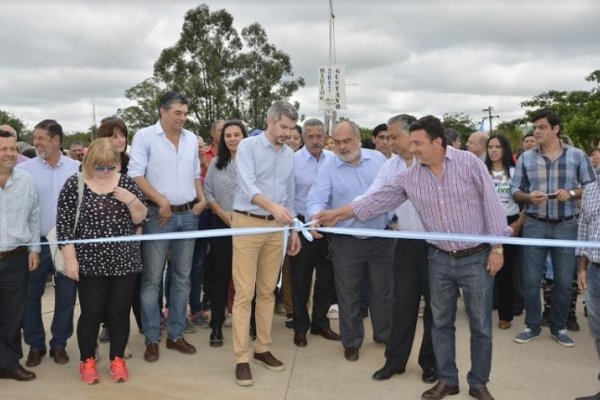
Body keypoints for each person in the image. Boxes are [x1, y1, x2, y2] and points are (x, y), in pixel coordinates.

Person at [315, 115, 507, 400]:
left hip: (475, 258)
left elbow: (491, 204)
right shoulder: (411, 176)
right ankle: (447, 379)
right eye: (412, 143)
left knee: (480, 325)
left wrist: (497, 248)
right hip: (439, 258)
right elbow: (375, 201)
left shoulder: (469, 164)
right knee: (440, 322)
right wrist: (336, 214)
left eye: (418, 143)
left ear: (437, 142)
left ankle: (478, 383)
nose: (412, 149)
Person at [57, 138, 146, 383]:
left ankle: (117, 359)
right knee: (92, 312)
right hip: (89, 262)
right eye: (100, 167)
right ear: (89, 163)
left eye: (111, 166)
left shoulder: (126, 182)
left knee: (119, 312)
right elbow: (64, 227)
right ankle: (88, 361)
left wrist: (130, 199)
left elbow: (141, 218)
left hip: (124, 261)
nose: (106, 172)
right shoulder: (75, 184)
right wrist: (71, 261)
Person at [128, 91, 207, 363]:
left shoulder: (189, 139)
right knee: (152, 281)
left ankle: (175, 335)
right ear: (162, 111)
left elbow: (196, 173)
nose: (183, 118)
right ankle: (152, 338)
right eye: (177, 113)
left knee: (183, 278)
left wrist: (202, 198)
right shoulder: (145, 137)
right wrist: (160, 201)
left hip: (188, 217)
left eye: (185, 113)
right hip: (158, 217)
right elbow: (135, 173)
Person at [307, 120, 393, 362]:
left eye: (347, 141)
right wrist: (315, 217)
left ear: (358, 139)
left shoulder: (378, 160)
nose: (342, 147)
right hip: (346, 240)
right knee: (348, 293)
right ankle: (352, 341)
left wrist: (393, 216)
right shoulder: (328, 167)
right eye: (337, 142)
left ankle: (384, 334)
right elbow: (316, 197)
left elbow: (392, 191)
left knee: (383, 290)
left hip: (382, 237)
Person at [511, 109, 595, 347]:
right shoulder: (526, 158)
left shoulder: (578, 156)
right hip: (535, 225)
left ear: (555, 129)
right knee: (530, 280)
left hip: (567, 226)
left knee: (564, 281)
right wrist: (528, 197)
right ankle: (533, 326)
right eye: (535, 127)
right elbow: (515, 190)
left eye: (541, 127)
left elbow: (591, 188)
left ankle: (558, 327)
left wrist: (570, 193)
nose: (536, 131)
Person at [231, 100, 300, 387]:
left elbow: (290, 194)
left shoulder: (289, 155)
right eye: (283, 127)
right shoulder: (248, 147)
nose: (287, 133)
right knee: (244, 292)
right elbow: (247, 187)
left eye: (292, 128)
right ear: (269, 121)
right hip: (247, 222)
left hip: (277, 228)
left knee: (268, 291)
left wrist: (293, 229)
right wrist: (273, 207)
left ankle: (263, 348)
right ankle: (242, 358)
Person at [369, 114, 437, 384]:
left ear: (412, 135)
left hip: (437, 243)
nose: (390, 142)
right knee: (403, 304)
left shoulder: (434, 161)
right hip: (407, 243)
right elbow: (374, 195)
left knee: (436, 308)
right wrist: (339, 214)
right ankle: (395, 361)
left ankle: (430, 364)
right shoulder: (391, 165)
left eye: (394, 136)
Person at [17, 119, 80, 367]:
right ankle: (35, 345)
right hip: (37, 243)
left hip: (66, 245)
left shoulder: (77, 168)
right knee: (30, 296)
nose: (36, 143)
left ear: (56, 140)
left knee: (66, 295)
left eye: (41, 138)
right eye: (35, 138)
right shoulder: (26, 171)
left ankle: (59, 344)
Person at [290, 118, 339, 348]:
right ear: (303, 137)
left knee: (327, 276)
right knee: (300, 277)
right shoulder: (293, 161)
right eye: (310, 136)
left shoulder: (334, 160)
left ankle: (321, 322)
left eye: (319, 136)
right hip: (302, 225)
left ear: (325, 136)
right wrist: (294, 226)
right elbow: (287, 196)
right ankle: (301, 326)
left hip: (329, 224)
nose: (315, 140)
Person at [95, 116, 138, 351]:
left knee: (127, 291)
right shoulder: (93, 167)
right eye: (113, 135)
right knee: (103, 291)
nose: (119, 140)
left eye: (122, 135)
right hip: (101, 241)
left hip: (132, 237)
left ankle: (122, 333)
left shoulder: (134, 164)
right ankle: (107, 325)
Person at [0, 128, 40, 382]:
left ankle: (9, 363)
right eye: (3, 149)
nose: (10, 153)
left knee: (13, 315)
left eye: (13, 148)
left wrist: (35, 248)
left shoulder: (25, 180)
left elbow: (34, 215)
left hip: (15, 258)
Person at [204, 120, 247, 346]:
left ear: (244, 136)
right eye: (228, 135)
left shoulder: (252, 162)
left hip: (248, 224)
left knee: (246, 279)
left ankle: (249, 325)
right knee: (220, 277)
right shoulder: (216, 163)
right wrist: (223, 214)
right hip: (221, 225)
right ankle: (216, 326)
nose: (231, 138)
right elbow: (208, 192)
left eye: (236, 134)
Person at [484, 135, 525, 330]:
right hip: (484, 225)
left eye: (497, 147)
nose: (493, 150)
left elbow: (525, 203)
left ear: (505, 149)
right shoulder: (482, 171)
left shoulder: (515, 172)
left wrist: (518, 223)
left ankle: (505, 314)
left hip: (510, 224)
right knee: (483, 271)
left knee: (506, 272)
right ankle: (481, 313)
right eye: (490, 147)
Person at [575, 177, 600, 400]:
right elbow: (584, 229)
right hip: (595, 270)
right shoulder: (591, 189)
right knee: (599, 332)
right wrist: (582, 268)